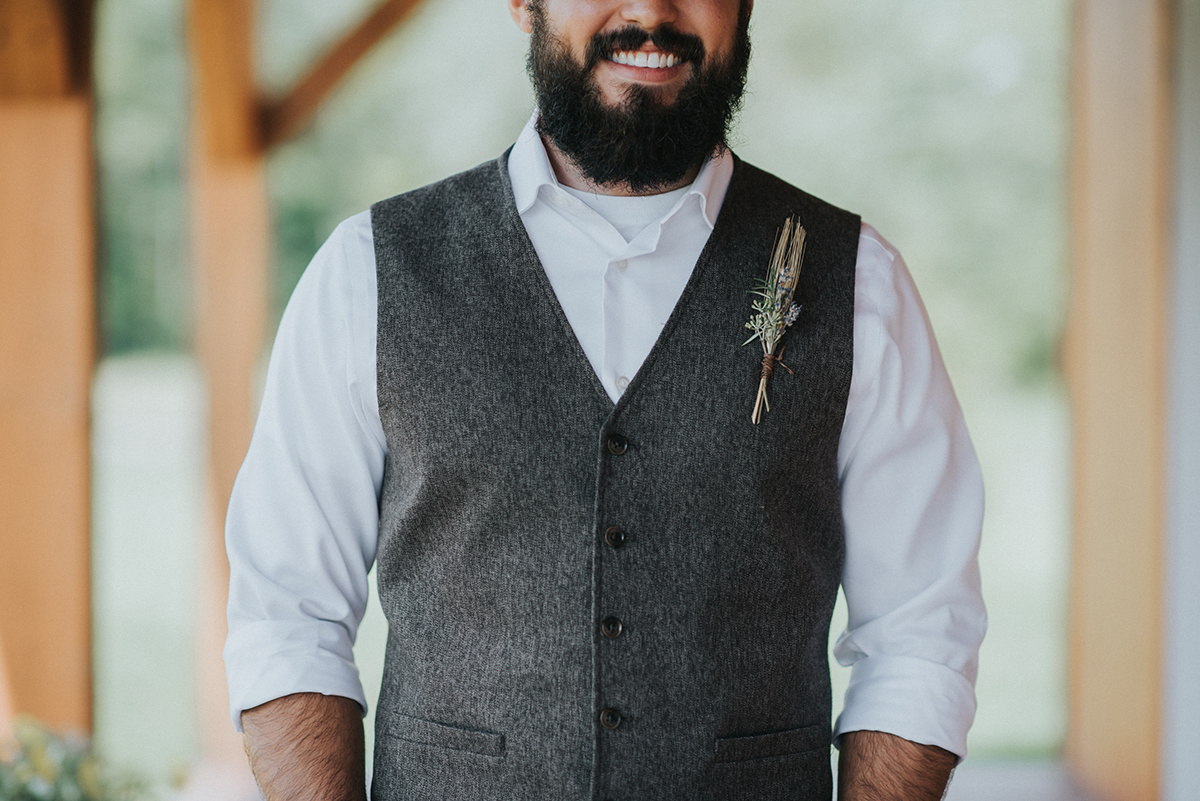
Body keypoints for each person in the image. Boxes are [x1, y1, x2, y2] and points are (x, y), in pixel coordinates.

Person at [223, 0, 986, 798]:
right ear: (524, 5)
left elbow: (920, 636)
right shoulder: (368, 274)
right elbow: (289, 617)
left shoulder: (860, 284)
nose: (653, 12)